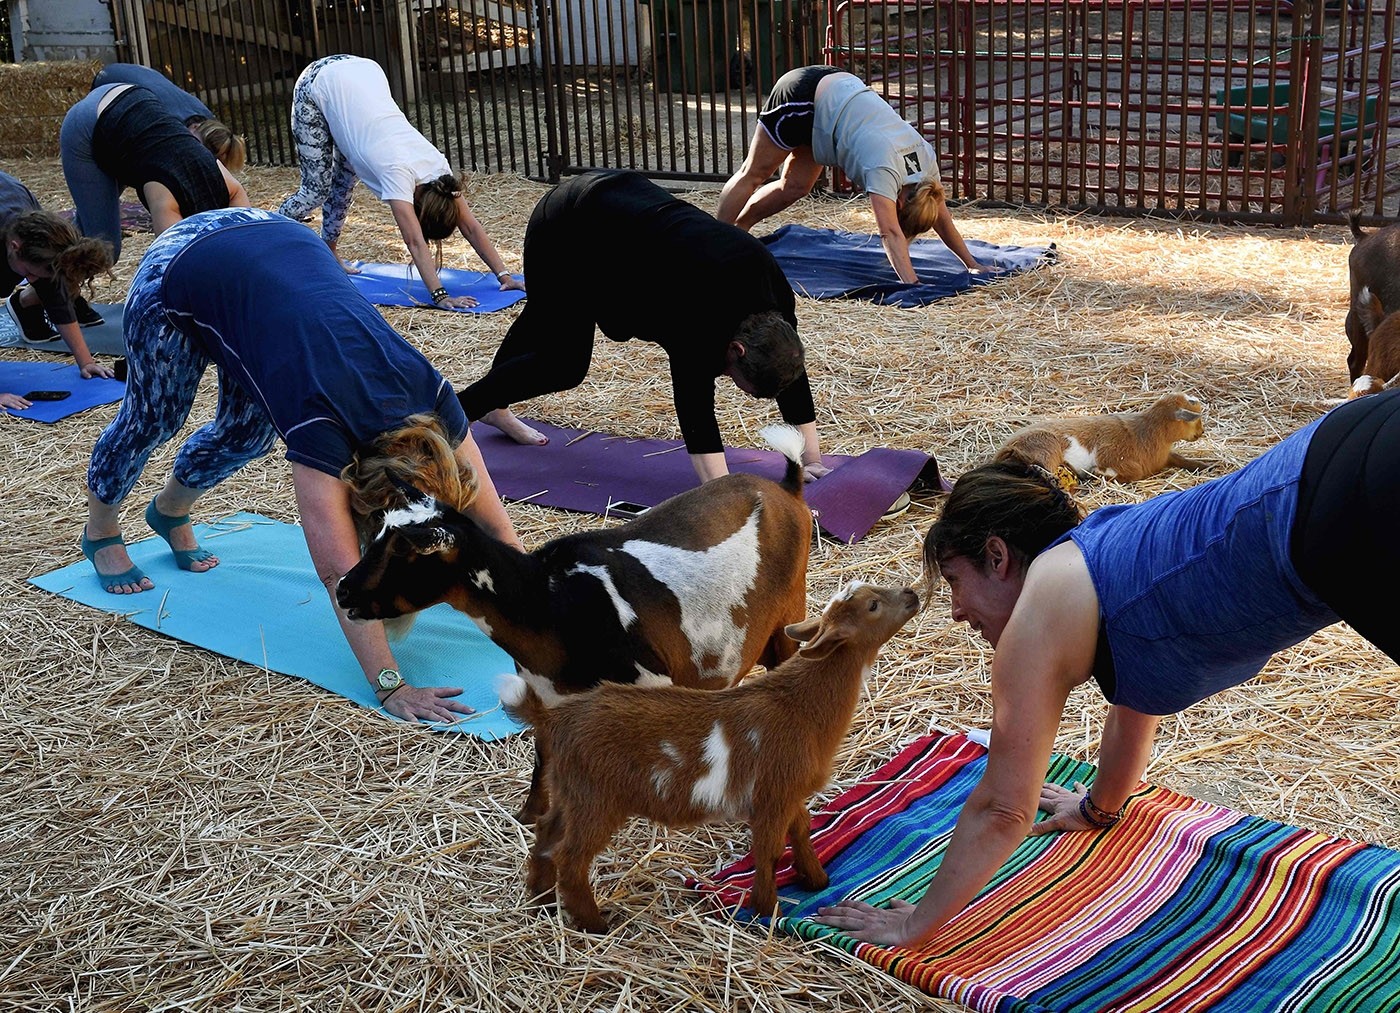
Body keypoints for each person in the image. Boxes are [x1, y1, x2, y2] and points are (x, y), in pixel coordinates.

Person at [815, 391, 1400, 946]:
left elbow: (1003, 808)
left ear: (997, 556)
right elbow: (1135, 698)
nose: (957, 611)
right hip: (1351, 454)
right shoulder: (1098, 566)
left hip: (1352, 503)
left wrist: (914, 925)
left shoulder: (1042, 609)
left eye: (956, 582)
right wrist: (1099, 808)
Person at [80, 207, 520, 724]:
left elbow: (496, 529)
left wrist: (529, 629)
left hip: (274, 250)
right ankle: (100, 531)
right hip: (184, 263)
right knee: (154, 418)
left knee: (245, 434)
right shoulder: (322, 432)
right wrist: (390, 686)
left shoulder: (436, 401)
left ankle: (169, 512)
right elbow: (339, 570)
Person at [456, 169, 829, 484]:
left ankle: (495, 405)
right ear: (736, 349)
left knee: (545, 317)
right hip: (571, 225)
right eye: (736, 380)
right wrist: (722, 493)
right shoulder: (701, 315)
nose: (733, 385)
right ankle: (454, 415)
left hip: (625, 213)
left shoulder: (777, 305)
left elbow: (790, 371)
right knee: (562, 362)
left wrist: (810, 460)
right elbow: (695, 407)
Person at [275, 54, 524, 309]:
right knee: (315, 190)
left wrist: (504, 275)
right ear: (419, 214)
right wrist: (440, 296)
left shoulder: (440, 171)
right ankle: (269, 235)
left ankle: (329, 251)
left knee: (343, 183)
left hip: (361, 72)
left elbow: (470, 226)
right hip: (319, 80)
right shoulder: (398, 174)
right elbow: (414, 240)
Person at [716, 66, 987, 284]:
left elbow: (942, 217)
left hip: (834, 97)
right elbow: (890, 232)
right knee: (753, 173)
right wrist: (911, 284)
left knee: (795, 187)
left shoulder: (926, 168)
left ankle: (741, 229)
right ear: (900, 203)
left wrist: (971, 264)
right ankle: (715, 243)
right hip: (803, 96)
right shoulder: (884, 170)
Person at [61, 82, 250, 263]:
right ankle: (43, 278)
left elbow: (245, 236)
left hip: (132, 97)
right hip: (88, 123)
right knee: (104, 248)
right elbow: (173, 262)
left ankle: (52, 247)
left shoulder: (230, 186)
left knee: (93, 219)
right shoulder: (167, 201)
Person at [2, 170, 115, 379]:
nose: (32, 281)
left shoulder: (37, 237)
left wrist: (86, 362)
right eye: (28, 273)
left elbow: (56, 298)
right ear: (14, 247)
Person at [90, 63, 247, 171]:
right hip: (109, 81)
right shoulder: (169, 124)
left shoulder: (206, 119)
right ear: (195, 127)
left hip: (134, 72)